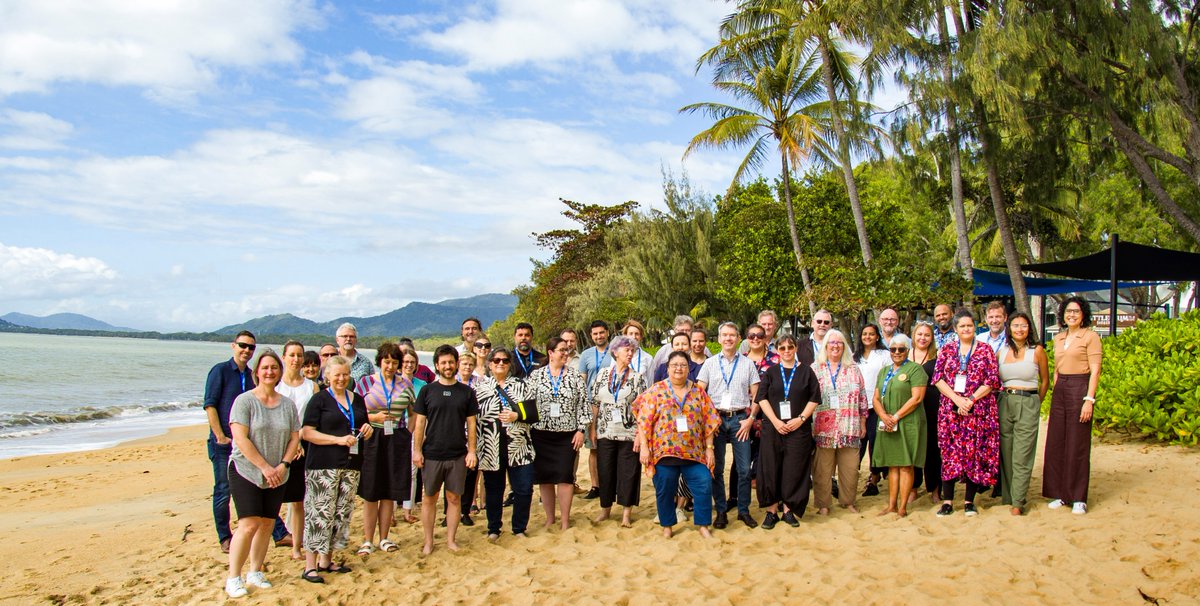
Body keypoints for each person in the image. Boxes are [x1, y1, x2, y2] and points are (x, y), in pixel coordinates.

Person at [223, 349, 301, 597]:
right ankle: (233, 577)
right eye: (265, 368)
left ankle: (255, 571)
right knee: (248, 524)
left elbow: (294, 438)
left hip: (279, 473)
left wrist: (283, 465)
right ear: (257, 372)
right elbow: (240, 438)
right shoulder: (245, 401)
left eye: (274, 368)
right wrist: (264, 467)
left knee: (267, 523)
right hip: (246, 470)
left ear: (279, 372)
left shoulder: (287, 405)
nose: (270, 372)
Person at [205, 331, 287, 553]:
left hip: (255, 444)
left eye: (251, 347)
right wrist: (220, 436)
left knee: (263, 485)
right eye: (243, 345)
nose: (247, 350)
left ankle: (278, 533)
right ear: (233, 346)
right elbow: (210, 405)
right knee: (224, 490)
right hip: (225, 444)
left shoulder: (254, 375)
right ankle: (225, 537)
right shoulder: (220, 371)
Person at [300, 356, 372, 583]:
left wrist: (367, 429)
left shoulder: (358, 400)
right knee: (319, 514)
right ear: (327, 376)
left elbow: (361, 425)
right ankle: (310, 566)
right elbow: (307, 433)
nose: (341, 379)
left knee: (340, 513)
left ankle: (326, 561)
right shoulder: (319, 400)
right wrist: (337, 440)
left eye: (345, 374)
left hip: (351, 465)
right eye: (337, 374)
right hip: (322, 465)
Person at [636, 351, 720, 538]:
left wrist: (710, 449)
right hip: (664, 452)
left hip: (694, 453)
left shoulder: (698, 392)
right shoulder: (656, 390)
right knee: (665, 489)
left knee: (703, 484)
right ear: (667, 368)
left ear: (688, 368)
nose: (678, 369)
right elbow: (643, 419)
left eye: (683, 365)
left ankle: (703, 525)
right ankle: (667, 526)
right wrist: (644, 446)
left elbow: (709, 422)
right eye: (674, 365)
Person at [932, 308, 1002, 517]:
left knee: (973, 453)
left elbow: (992, 381)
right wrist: (957, 399)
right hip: (950, 411)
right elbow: (937, 378)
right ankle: (947, 501)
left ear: (975, 327)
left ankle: (969, 501)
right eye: (962, 326)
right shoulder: (947, 350)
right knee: (950, 453)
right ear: (955, 328)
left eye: (969, 326)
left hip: (977, 410)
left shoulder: (985, 350)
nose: (966, 329)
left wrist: (970, 400)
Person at [412, 345, 480, 554]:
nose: (448, 366)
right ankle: (428, 541)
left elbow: (471, 424)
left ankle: (451, 539)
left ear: (456, 364)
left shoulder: (466, 392)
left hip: (457, 454)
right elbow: (420, 423)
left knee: (454, 498)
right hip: (432, 453)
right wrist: (417, 450)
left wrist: (471, 451)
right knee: (429, 498)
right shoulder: (427, 390)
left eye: (451, 362)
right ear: (437, 365)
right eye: (443, 363)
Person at [695, 322, 761, 529]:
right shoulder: (710, 363)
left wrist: (750, 419)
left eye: (732, 335)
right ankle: (721, 510)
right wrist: (706, 420)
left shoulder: (748, 364)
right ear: (719, 338)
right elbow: (699, 393)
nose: (728, 338)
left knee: (743, 469)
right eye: (724, 335)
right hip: (716, 421)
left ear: (738, 337)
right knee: (717, 467)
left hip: (740, 420)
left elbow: (757, 395)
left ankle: (743, 510)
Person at [1044, 296, 1102, 515]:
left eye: (1076, 311)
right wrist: (1056, 392)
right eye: (1068, 311)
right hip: (1061, 389)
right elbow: (1057, 369)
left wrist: (1089, 399)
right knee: (1057, 441)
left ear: (1083, 314)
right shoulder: (1058, 338)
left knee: (1077, 443)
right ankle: (1061, 494)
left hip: (1080, 386)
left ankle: (1078, 497)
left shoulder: (1091, 337)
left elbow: (1096, 370)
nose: (1072, 315)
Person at [755, 334, 821, 528]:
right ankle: (772, 511)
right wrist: (775, 421)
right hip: (773, 428)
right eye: (782, 348)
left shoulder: (807, 372)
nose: (786, 351)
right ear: (777, 350)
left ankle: (789, 510)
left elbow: (814, 398)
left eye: (789, 347)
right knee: (770, 467)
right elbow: (762, 398)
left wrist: (800, 419)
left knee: (795, 469)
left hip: (798, 429)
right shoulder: (771, 372)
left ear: (795, 348)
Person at [353, 343, 413, 556]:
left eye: (394, 362)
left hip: (397, 439)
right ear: (379, 361)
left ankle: (384, 537)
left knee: (389, 490)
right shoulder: (366, 383)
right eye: (387, 361)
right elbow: (354, 413)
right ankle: (368, 540)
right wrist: (373, 417)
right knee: (371, 492)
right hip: (372, 438)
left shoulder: (405, 384)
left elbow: (412, 413)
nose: (390, 366)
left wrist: (408, 433)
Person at [528, 337, 589, 530]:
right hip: (541, 434)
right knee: (545, 478)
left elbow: (584, 405)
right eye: (561, 350)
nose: (565, 353)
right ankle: (549, 518)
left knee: (564, 477)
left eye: (567, 350)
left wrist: (581, 430)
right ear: (550, 353)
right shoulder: (536, 376)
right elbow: (528, 404)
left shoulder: (574, 376)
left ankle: (564, 520)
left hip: (567, 435)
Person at [475, 347, 537, 539]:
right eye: (496, 360)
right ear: (489, 364)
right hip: (490, 446)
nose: (500, 363)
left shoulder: (522, 385)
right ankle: (494, 528)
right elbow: (472, 419)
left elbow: (534, 414)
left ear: (510, 364)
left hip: (519, 446)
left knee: (524, 488)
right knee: (494, 489)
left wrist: (516, 415)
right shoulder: (480, 388)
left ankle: (519, 527)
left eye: (504, 360)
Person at [589, 335, 648, 527]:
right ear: (615, 352)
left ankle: (626, 514)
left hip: (629, 433)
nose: (630, 353)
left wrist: (640, 435)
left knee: (628, 473)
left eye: (632, 350)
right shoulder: (602, 374)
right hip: (605, 430)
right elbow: (595, 403)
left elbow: (643, 410)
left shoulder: (638, 378)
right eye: (626, 350)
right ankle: (605, 509)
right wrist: (592, 429)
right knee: (605, 471)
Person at [997, 312, 1049, 515]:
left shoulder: (1037, 351)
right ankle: (1008, 497)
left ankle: (1018, 502)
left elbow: (1045, 381)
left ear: (1029, 328)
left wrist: (1036, 402)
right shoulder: (1001, 352)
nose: (1020, 329)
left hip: (1028, 400)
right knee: (1007, 452)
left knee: (1022, 453)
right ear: (1009, 328)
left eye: (1024, 325)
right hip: (1005, 401)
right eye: (1015, 325)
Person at [812, 330, 869, 514]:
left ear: (844, 346)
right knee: (822, 470)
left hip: (849, 426)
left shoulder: (853, 368)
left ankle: (848, 501)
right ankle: (823, 504)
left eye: (839, 342)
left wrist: (862, 422)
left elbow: (862, 398)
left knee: (850, 469)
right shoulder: (815, 368)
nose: (835, 346)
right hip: (823, 428)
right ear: (825, 346)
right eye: (831, 342)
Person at [871, 335, 928, 517]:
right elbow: (876, 398)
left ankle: (903, 507)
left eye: (901, 349)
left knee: (906, 465)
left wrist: (895, 417)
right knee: (892, 465)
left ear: (908, 350)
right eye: (893, 349)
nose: (896, 353)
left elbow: (917, 398)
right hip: (888, 423)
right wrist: (882, 416)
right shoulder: (884, 371)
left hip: (907, 422)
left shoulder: (915, 370)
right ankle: (891, 505)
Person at [277, 341, 317, 561]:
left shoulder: (311, 386)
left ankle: (296, 547)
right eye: (291, 355)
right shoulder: (275, 384)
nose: (296, 359)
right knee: (272, 498)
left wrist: (300, 439)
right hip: (278, 445)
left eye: (299, 355)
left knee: (298, 500)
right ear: (284, 357)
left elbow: (313, 419)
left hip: (305, 446)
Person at [855, 323, 890, 497]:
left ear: (877, 336)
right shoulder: (855, 357)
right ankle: (852, 479)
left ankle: (874, 480)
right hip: (857, 408)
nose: (867, 337)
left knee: (875, 444)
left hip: (877, 406)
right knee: (858, 445)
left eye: (871, 334)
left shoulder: (885, 355)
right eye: (864, 334)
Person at [910, 322, 942, 500]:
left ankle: (935, 488)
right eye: (920, 334)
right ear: (914, 336)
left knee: (932, 448)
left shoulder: (938, 357)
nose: (923, 338)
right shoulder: (905, 355)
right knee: (913, 447)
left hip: (931, 405)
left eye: (927, 335)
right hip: (910, 405)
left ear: (932, 338)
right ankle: (913, 488)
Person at [579, 320, 613, 390]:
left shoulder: (617, 352)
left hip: (612, 398)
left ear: (608, 333)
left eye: (601, 332)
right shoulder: (585, 354)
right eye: (595, 334)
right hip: (591, 398)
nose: (599, 336)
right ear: (591, 336)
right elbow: (582, 381)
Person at [621, 319, 654, 384]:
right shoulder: (618, 357)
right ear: (625, 335)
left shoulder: (648, 358)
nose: (634, 337)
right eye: (631, 334)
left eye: (637, 334)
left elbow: (650, 382)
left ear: (641, 337)